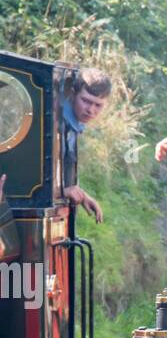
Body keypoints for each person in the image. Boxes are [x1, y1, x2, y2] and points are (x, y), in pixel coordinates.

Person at [63, 67, 112, 222]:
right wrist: (63, 192)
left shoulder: (72, 126)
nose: (91, 110)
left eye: (98, 105)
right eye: (86, 101)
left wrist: (81, 195)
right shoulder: (54, 123)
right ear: (72, 94)